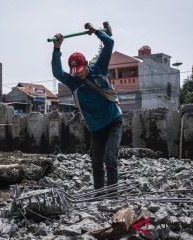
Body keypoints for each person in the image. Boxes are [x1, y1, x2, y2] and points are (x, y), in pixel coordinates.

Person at [51, 23, 123, 190]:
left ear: (86, 64)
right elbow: (57, 73)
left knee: (110, 157)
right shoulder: (73, 82)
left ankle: (112, 195)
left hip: (113, 121)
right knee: (96, 163)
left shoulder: (99, 68)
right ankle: (99, 195)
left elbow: (109, 44)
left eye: (81, 69)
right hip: (96, 128)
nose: (79, 73)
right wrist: (57, 49)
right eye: (75, 71)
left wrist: (97, 32)